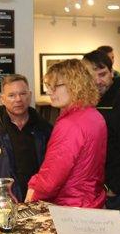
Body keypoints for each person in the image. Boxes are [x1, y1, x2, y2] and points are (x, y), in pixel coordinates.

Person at [25, 59, 107, 207]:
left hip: (71, 207)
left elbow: (51, 179)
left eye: (55, 86)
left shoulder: (69, 124)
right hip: (92, 201)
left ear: (75, 85)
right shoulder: (94, 115)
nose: (49, 91)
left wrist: (33, 192)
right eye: (48, 86)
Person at [0, 75, 52, 206]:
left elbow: (54, 168)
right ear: (2, 99)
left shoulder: (45, 129)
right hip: (5, 209)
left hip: (40, 204)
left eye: (23, 94)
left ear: (29, 95)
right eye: (11, 95)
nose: (18, 99)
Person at [83, 50, 120, 219]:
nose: (97, 81)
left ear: (111, 73)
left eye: (102, 74)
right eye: (90, 75)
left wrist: (115, 187)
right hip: (95, 189)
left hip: (117, 193)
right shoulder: (91, 100)